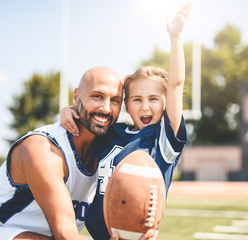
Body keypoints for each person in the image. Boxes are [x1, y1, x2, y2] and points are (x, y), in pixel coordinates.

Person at [60, 3, 191, 240]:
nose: (145, 106)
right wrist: (67, 111)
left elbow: (176, 85)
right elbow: (87, 121)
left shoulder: (163, 141)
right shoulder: (113, 131)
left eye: (153, 99)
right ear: (126, 105)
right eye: (137, 99)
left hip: (132, 233)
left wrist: (175, 37)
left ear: (165, 103)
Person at [0, 66, 124, 240]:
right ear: (76, 96)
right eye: (97, 96)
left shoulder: (108, 148)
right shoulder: (42, 148)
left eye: (115, 100)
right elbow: (65, 234)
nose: (106, 108)